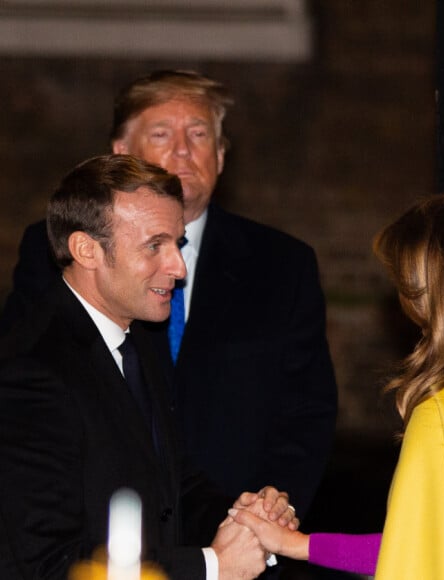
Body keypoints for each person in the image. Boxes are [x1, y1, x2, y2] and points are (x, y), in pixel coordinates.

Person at [0, 70, 337, 518]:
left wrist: (262, 521)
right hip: (97, 532)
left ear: (220, 155)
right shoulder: (61, 249)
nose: (182, 149)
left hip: (235, 525)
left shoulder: (283, 264)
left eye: (198, 134)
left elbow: (304, 416)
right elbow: (29, 392)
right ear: (121, 152)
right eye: (162, 133)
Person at [227, 183, 444, 579]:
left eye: (410, 284)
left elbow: (407, 560)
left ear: (437, 296)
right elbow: (415, 543)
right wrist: (298, 544)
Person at [0, 154, 298, 580]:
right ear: (87, 250)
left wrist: (247, 518)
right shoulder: (29, 371)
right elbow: (44, 563)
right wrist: (211, 566)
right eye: (154, 245)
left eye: (177, 243)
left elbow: (170, 486)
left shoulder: (137, 335)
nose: (177, 268)